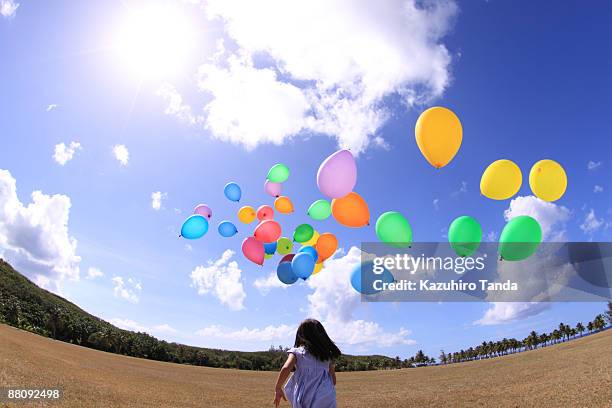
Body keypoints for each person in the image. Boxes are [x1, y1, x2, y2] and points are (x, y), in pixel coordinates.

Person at [273, 319, 341, 407]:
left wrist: (278, 387)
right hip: (326, 395)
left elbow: (286, 368)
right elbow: (333, 380)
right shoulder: (327, 355)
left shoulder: (297, 352)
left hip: (305, 395)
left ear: (301, 335)